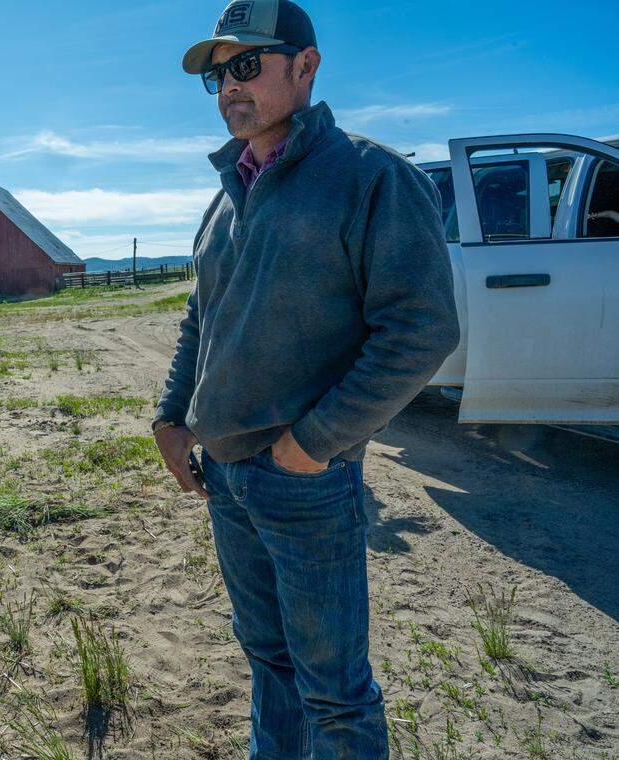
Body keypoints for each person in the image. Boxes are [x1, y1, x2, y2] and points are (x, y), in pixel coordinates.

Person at [153, 1, 460, 756]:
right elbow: (203, 318)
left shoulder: (370, 178)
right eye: (219, 74)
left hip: (305, 485)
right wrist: (171, 414)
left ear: (307, 66)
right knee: (270, 664)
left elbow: (421, 329)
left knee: (335, 694)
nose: (230, 86)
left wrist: (311, 446)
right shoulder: (225, 200)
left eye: (247, 64)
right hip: (224, 478)